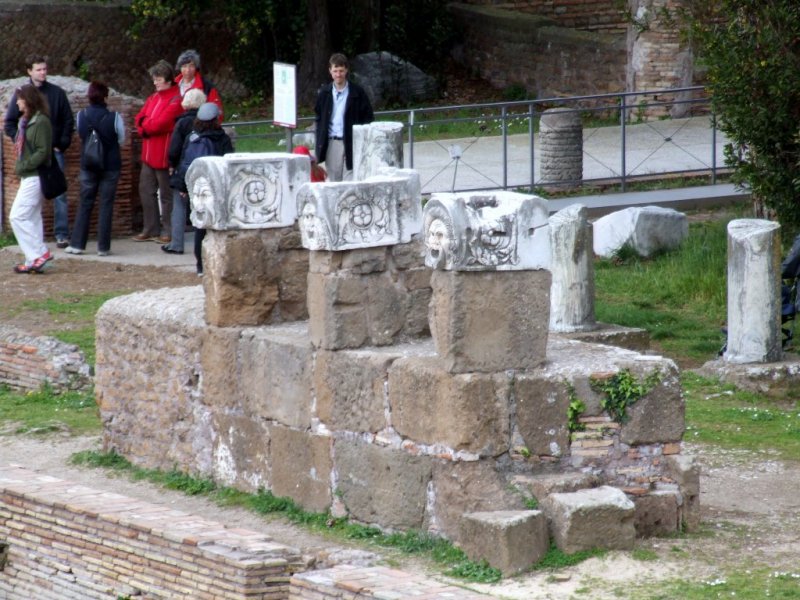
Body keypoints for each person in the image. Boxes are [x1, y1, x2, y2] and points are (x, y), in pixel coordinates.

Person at [4, 54, 75, 248]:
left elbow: (68, 120)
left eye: (44, 69)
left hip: (54, 151)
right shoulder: (22, 94)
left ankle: (61, 233)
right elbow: (9, 123)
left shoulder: (57, 93)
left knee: (58, 192)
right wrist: (21, 142)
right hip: (32, 156)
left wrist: (62, 143)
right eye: (38, 69)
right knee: (31, 200)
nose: (43, 72)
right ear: (29, 71)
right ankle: (37, 240)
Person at [165, 102, 233, 276]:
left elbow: (185, 163)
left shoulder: (192, 138)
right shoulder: (222, 138)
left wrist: (182, 187)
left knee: (200, 225)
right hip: (217, 188)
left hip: (197, 187)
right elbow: (229, 162)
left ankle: (200, 265)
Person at [64, 82, 125, 257]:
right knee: (106, 204)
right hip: (111, 165)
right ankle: (103, 247)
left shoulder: (81, 115)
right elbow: (121, 138)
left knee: (85, 203)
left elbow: (81, 136)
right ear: (105, 97)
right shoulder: (115, 117)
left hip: (89, 164)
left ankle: (77, 244)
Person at [133, 59, 183, 244]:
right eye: (154, 79)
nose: (155, 82)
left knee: (166, 195)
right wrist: (145, 125)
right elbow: (140, 117)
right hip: (148, 154)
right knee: (145, 190)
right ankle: (150, 227)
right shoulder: (153, 97)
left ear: (168, 79)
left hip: (163, 154)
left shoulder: (176, 99)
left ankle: (168, 230)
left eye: (158, 78)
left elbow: (160, 123)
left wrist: (144, 126)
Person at [9, 84, 54, 273]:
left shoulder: (41, 121)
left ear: (27, 100)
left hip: (35, 175)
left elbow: (43, 151)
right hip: (28, 175)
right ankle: (32, 259)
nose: (17, 102)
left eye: (20, 98)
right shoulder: (25, 121)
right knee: (32, 218)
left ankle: (39, 254)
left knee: (17, 216)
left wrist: (24, 165)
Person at [314, 53, 374, 181]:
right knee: (335, 182)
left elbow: (368, 118)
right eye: (335, 71)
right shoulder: (324, 93)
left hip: (352, 141)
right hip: (333, 142)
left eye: (341, 70)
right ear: (330, 71)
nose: (338, 74)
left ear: (346, 70)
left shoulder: (358, 93)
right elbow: (319, 117)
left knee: (351, 180)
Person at [162, 88, 206, 254]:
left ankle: (177, 243)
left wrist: (172, 164)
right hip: (202, 167)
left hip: (184, 167)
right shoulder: (205, 121)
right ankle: (203, 243)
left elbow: (174, 148)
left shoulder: (181, 123)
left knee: (179, 206)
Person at [174, 49, 224, 120]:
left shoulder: (206, 86)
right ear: (180, 68)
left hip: (199, 125)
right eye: (184, 66)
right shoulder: (172, 85)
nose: (188, 70)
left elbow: (216, 111)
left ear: (196, 67)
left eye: (191, 66)